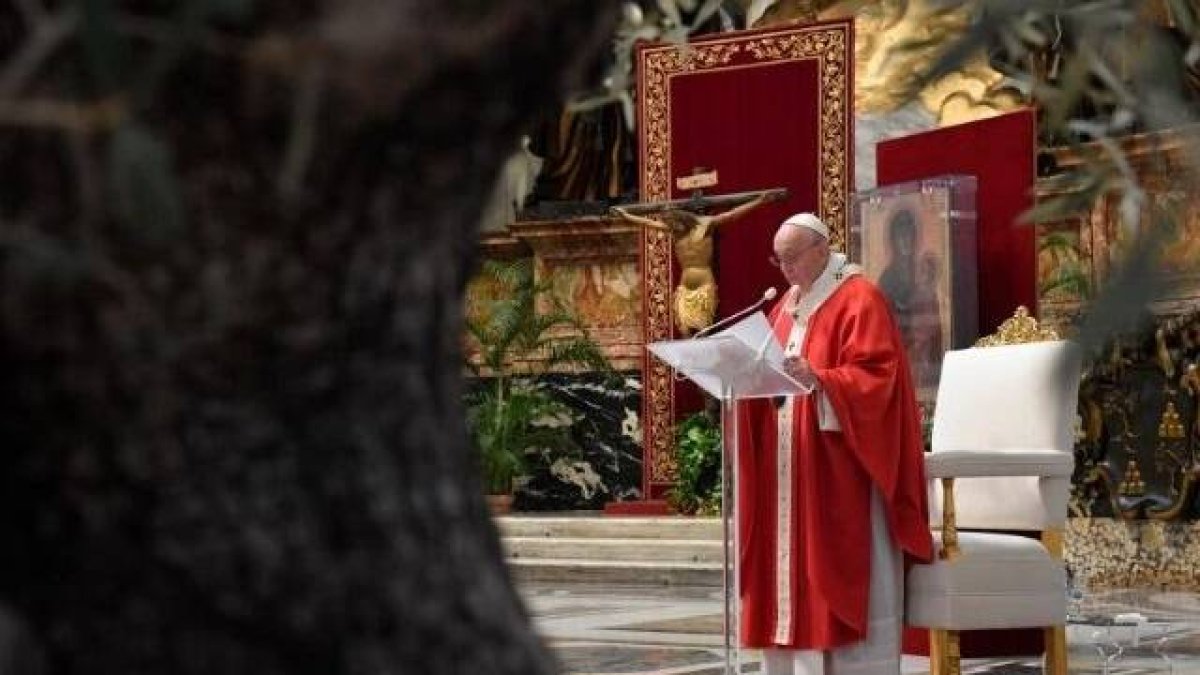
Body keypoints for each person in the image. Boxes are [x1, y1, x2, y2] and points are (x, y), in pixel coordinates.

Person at [737, 212, 933, 675]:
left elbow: (879, 377)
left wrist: (823, 381)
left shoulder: (859, 297)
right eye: (778, 260)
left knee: (834, 577)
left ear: (823, 250)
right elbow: (769, 373)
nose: (784, 269)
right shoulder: (786, 305)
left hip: (840, 471)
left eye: (792, 258)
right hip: (792, 468)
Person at [611, 191, 781, 335]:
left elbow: (733, 214)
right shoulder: (674, 229)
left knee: (702, 328)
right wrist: (626, 215)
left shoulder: (706, 224)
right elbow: (648, 222)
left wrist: (759, 201)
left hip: (704, 280)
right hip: (685, 284)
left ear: (682, 219)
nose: (670, 229)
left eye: (673, 225)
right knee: (684, 329)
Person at [876, 209, 944, 391]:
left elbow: (933, 313)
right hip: (899, 349)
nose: (906, 241)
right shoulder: (888, 277)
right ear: (893, 241)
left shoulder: (922, 269)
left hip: (926, 350)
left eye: (909, 235)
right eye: (901, 236)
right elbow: (883, 319)